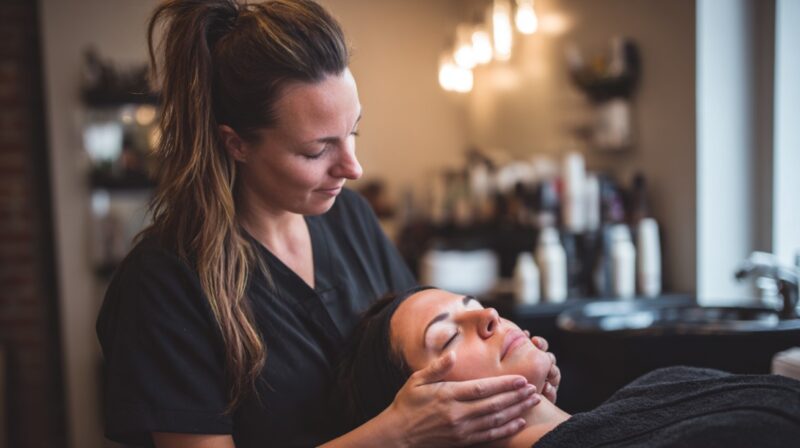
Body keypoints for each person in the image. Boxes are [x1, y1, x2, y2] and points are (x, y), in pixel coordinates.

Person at [95, 1, 561, 447]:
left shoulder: (350, 218)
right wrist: (397, 434)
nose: (352, 168)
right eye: (316, 151)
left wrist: (510, 391)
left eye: (353, 132)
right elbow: (410, 421)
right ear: (235, 143)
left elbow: (423, 375)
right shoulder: (165, 282)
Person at [335, 287, 800, 447]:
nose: (489, 315)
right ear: (427, 411)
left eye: (472, 303)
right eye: (448, 335)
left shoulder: (658, 383)